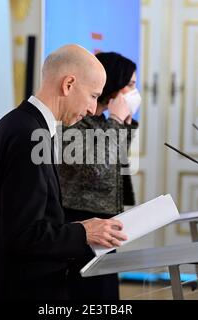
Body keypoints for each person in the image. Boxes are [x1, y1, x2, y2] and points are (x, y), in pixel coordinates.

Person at [0, 45, 128, 300]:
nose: (92, 108)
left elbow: (29, 221)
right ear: (68, 84)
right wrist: (85, 232)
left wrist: (81, 226)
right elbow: (22, 235)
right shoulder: (29, 135)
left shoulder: (24, 125)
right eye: (93, 96)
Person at [57, 52, 140, 300]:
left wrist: (123, 122)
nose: (134, 92)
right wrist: (116, 120)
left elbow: (117, 162)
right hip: (79, 221)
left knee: (105, 294)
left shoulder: (102, 120)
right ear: (114, 85)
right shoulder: (75, 121)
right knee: (87, 294)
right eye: (131, 85)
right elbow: (96, 168)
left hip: (104, 220)